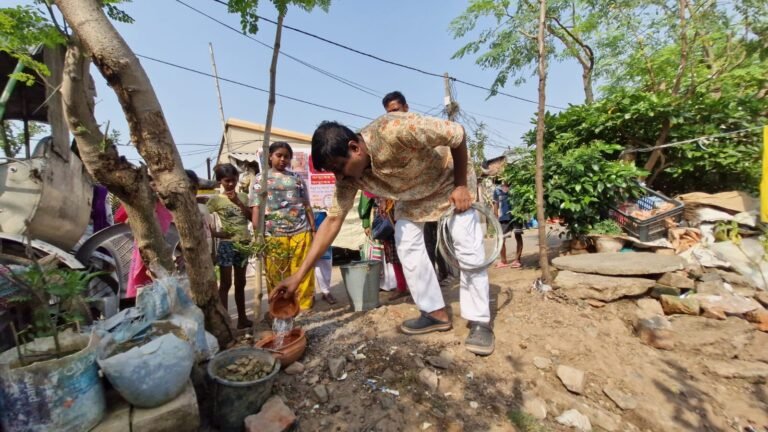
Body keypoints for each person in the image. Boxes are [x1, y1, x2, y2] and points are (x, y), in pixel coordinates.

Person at [272, 113, 495, 356]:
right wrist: (298, 277)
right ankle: (434, 313)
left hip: (448, 179)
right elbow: (333, 220)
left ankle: (479, 320)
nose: (339, 177)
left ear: (355, 148)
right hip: (413, 196)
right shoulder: (349, 178)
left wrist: (461, 184)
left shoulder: (394, 130)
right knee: (406, 241)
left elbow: (457, 133)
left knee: (465, 241)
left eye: (338, 168)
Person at [381, 91, 453, 286]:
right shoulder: (390, 141)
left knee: (439, 240)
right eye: (389, 113)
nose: (394, 116)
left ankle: (445, 275)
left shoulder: (423, 127)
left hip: (438, 193)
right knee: (416, 243)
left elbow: (453, 142)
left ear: (406, 108)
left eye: (396, 110)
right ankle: (431, 289)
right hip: (413, 199)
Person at [250, 142, 316, 312]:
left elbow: (307, 205)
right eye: (279, 155)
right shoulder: (260, 179)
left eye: (286, 156)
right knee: (275, 273)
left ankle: (304, 307)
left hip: (300, 231)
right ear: (270, 156)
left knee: (303, 270)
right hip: (273, 234)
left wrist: (314, 229)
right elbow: (256, 207)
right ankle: (281, 308)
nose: (283, 159)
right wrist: (257, 234)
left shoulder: (297, 179)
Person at [207, 163, 252, 329]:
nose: (231, 184)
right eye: (227, 181)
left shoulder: (244, 197)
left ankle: (242, 319)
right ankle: (225, 322)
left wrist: (238, 201)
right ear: (220, 181)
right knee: (225, 284)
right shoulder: (216, 200)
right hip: (226, 245)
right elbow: (204, 219)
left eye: (233, 180)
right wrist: (216, 234)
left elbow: (251, 218)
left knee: (241, 283)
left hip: (244, 244)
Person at [359, 191, 409, 300]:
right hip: (391, 219)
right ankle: (402, 286)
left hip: (393, 218)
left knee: (398, 255)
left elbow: (365, 204)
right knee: (396, 255)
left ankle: (402, 287)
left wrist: (366, 222)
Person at [493, 179, 523, 268]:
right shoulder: (497, 190)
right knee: (501, 239)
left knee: (518, 236)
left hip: (516, 216)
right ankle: (503, 261)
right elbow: (495, 203)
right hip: (504, 217)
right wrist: (495, 216)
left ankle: (517, 260)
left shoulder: (517, 187)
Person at [313, 210, 336, 305]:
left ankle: (325, 291)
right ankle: (309, 294)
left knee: (324, 258)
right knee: (303, 259)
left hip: (323, 216)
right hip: (302, 219)